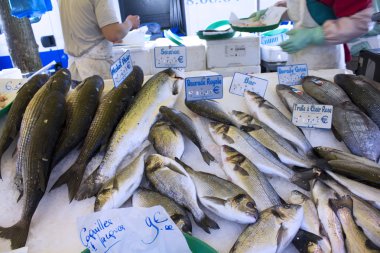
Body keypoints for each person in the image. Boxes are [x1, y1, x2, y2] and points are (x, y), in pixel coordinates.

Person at [250, 0, 373, 69]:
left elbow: (363, 20)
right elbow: (301, 7)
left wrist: (316, 34)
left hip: (326, 62)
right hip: (296, 59)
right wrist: (273, 13)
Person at [58, 0, 140, 81]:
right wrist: (130, 22)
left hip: (75, 70)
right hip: (96, 70)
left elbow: (82, 23)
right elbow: (113, 34)